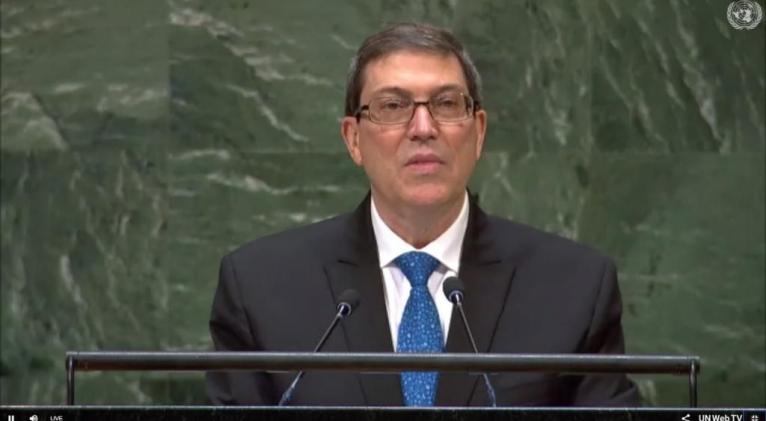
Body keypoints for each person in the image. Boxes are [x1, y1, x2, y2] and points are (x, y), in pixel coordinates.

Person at [206, 22, 639, 407]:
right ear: (353, 139)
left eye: (446, 104)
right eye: (393, 107)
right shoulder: (261, 287)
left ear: (478, 132)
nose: (423, 128)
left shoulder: (573, 287)